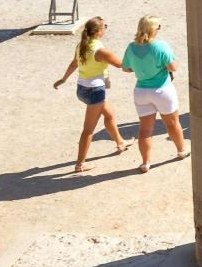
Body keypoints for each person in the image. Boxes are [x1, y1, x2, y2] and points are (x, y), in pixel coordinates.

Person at [51, 15, 128, 174]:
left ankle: (120, 142)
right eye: (105, 26)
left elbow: (74, 63)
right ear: (99, 31)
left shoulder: (82, 45)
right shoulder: (100, 51)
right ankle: (80, 164)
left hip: (82, 89)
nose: (106, 28)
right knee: (88, 130)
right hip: (95, 92)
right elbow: (122, 64)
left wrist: (63, 79)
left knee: (109, 114)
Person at [121, 14, 187, 172]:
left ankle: (145, 162)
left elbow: (126, 68)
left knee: (144, 129)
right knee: (172, 123)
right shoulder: (160, 46)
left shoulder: (131, 47)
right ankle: (181, 151)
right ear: (153, 29)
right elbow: (173, 67)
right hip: (162, 90)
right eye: (158, 26)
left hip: (141, 91)